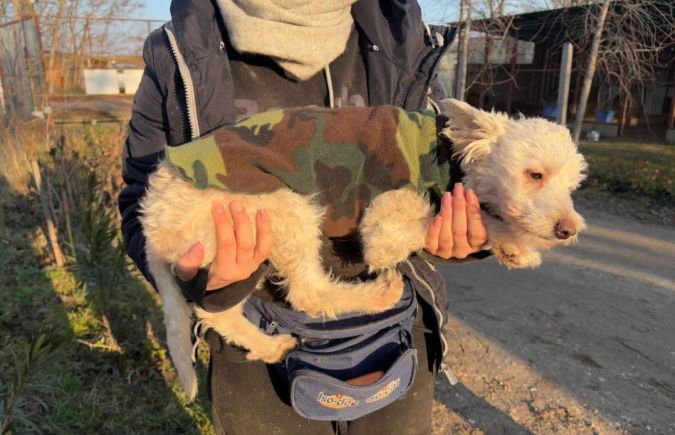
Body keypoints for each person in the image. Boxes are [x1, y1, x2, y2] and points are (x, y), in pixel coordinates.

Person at [119, 0, 489, 433]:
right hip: (259, 351)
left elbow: (446, 172)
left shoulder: (399, 33)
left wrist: (468, 237)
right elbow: (142, 202)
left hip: (396, 328)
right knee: (286, 207)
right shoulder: (179, 48)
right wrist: (204, 281)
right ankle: (299, 299)